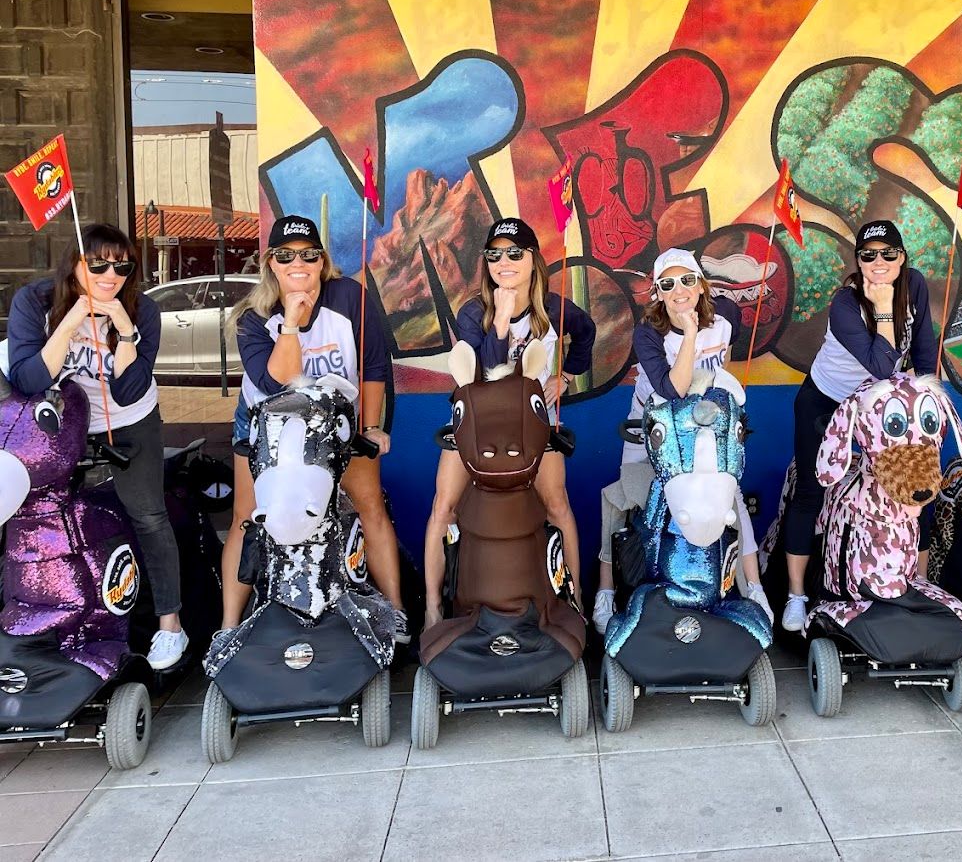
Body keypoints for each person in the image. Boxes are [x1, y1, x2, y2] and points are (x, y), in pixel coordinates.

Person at [7, 224, 189, 670]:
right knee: (41, 516)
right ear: (74, 264)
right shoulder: (35, 301)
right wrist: (70, 322)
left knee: (147, 514)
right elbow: (28, 379)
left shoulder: (141, 310)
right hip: (60, 424)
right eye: (98, 264)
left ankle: (171, 626)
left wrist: (125, 331)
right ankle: (42, 613)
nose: (111, 275)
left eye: (122, 266)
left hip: (128, 420)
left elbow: (129, 390)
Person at [221, 216, 408, 640]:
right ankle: (229, 626)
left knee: (369, 504)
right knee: (246, 519)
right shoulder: (254, 316)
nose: (298, 263)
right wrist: (290, 321)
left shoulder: (348, 296)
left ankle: (396, 611)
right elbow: (274, 382)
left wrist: (372, 426)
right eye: (285, 256)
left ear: (322, 261)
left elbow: (374, 364)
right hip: (266, 425)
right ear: (271, 262)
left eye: (309, 254)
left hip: (333, 422)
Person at [422, 218, 594, 628]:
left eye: (515, 253)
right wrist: (499, 319)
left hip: (535, 431)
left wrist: (565, 376)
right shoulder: (472, 312)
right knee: (443, 510)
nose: (505, 261)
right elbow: (487, 369)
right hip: (475, 432)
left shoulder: (554, 308)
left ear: (533, 259)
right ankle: (431, 608)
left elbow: (586, 333)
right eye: (495, 254)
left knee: (557, 507)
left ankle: (575, 598)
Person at [592, 248, 772, 634]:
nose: (679, 291)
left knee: (732, 499)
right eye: (667, 284)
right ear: (657, 292)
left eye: (687, 280)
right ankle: (606, 590)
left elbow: (734, 324)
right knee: (625, 499)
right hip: (653, 432)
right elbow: (673, 390)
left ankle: (753, 587)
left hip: (703, 434)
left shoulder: (725, 317)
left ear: (701, 284)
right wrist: (690, 333)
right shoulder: (648, 333)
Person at [780, 220, 939, 632]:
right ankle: (797, 596)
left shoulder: (915, 285)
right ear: (858, 260)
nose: (879, 262)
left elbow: (922, 347)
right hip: (828, 402)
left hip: (880, 408)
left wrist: (928, 400)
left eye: (889, 254)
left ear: (902, 258)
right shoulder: (845, 303)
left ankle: (915, 582)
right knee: (811, 493)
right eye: (869, 255)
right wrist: (883, 306)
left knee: (912, 487)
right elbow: (883, 365)